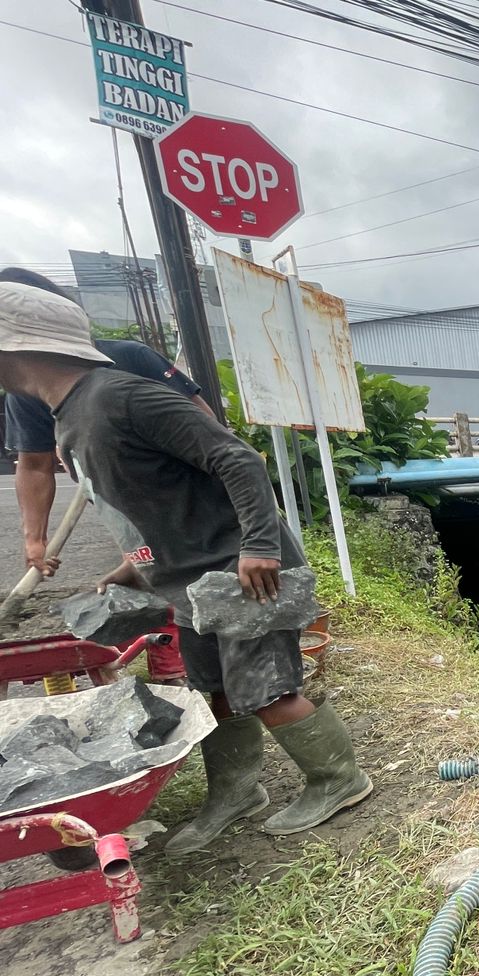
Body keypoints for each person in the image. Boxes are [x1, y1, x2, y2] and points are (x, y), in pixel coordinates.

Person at [0, 282, 372, 855]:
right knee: (214, 690)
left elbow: (236, 457)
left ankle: (339, 779)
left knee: (266, 691)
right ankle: (237, 792)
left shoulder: (120, 397)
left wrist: (259, 545)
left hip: (240, 567)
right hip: (191, 577)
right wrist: (134, 563)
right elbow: (153, 500)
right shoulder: (70, 414)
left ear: (16, 349)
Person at [0, 267, 214, 580]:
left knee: (208, 578)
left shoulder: (130, 360)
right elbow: (33, 465)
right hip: (123, 506)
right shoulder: (25, 395)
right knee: (160, 580)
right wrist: (35, 538)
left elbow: (213, 434)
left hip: (193, 499)